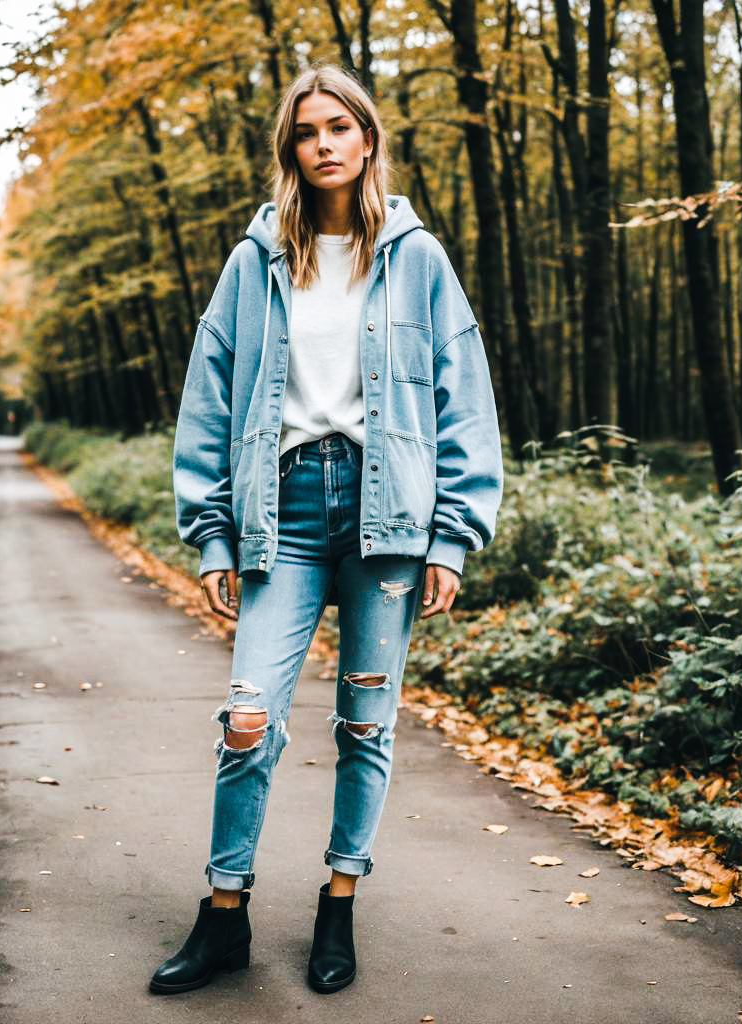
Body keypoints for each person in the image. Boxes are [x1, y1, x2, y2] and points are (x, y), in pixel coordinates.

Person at [151, 63, 503, 996]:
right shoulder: (255, 258)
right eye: (307, 130)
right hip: (287, 509)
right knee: (247, 718)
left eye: (340, 126)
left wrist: (454, 534)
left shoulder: (418, 257)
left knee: (365, 720)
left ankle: (339, 902)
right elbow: (209, 400)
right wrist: (214, 532)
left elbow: (465, 402)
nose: (324, 144)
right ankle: (225, 915)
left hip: (390, 521)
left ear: (369, 137)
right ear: (291, 149)